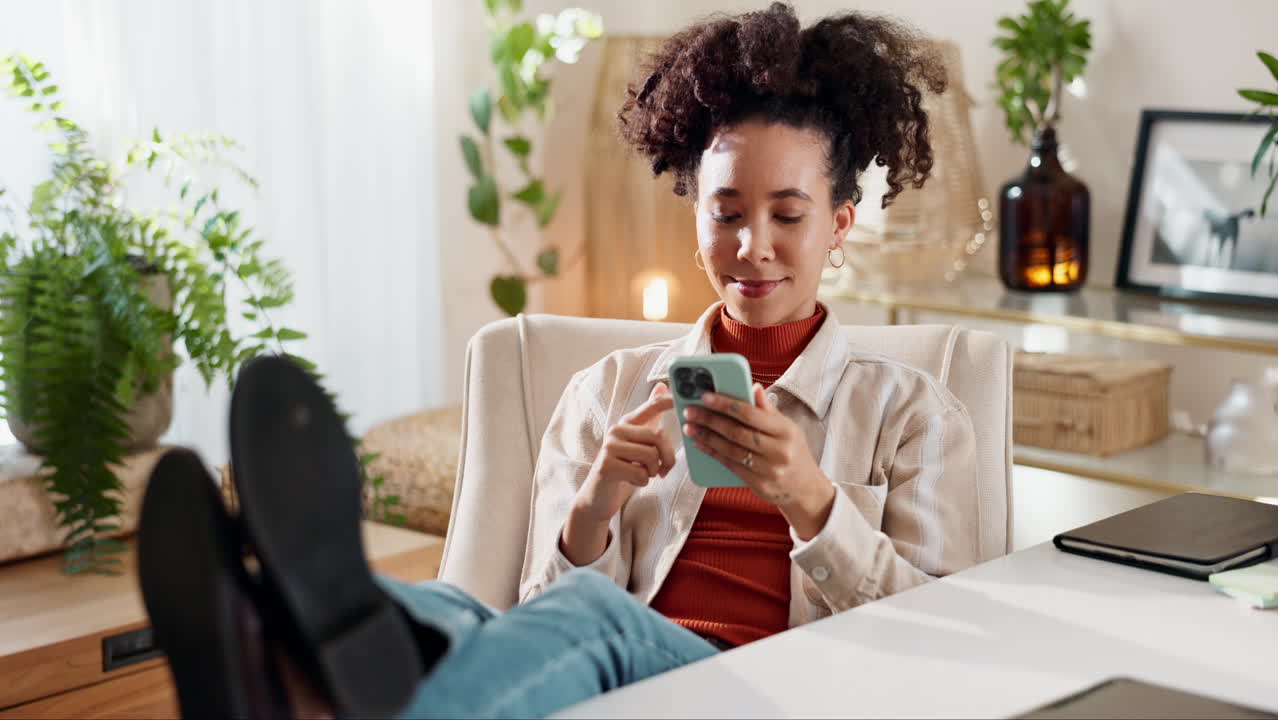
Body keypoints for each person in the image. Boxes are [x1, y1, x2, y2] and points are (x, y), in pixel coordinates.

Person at [137, 4, 1006, 719]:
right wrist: (595, 504)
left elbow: (940, 647)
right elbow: (531, 616)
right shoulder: (608, 392)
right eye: (726, 211)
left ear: (840, 223)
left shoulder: (915, 414)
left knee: (593, 619)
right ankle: (256, 635)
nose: (752, 247)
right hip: (613, 685)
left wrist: (813, 503)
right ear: (694, 212)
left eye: (788, 214)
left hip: (785, 696)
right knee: (445, 608)